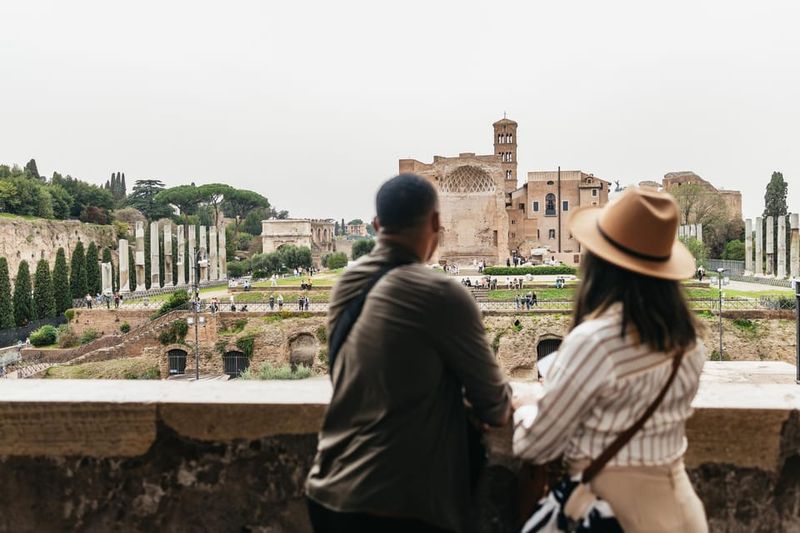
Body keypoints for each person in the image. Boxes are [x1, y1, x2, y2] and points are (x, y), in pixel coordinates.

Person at [306, 174, 511, 533]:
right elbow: (494, 406)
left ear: (375, 226)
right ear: (435, 223)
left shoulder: (346, 284)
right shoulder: (441, 294)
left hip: (329, 493)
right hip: (400, 505)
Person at [514, 188, 708, 532]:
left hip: (613, 515)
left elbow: (535, 445)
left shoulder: (596, 341)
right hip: (682, 511)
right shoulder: (690, 343)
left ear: (599, 263)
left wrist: (528, 405)